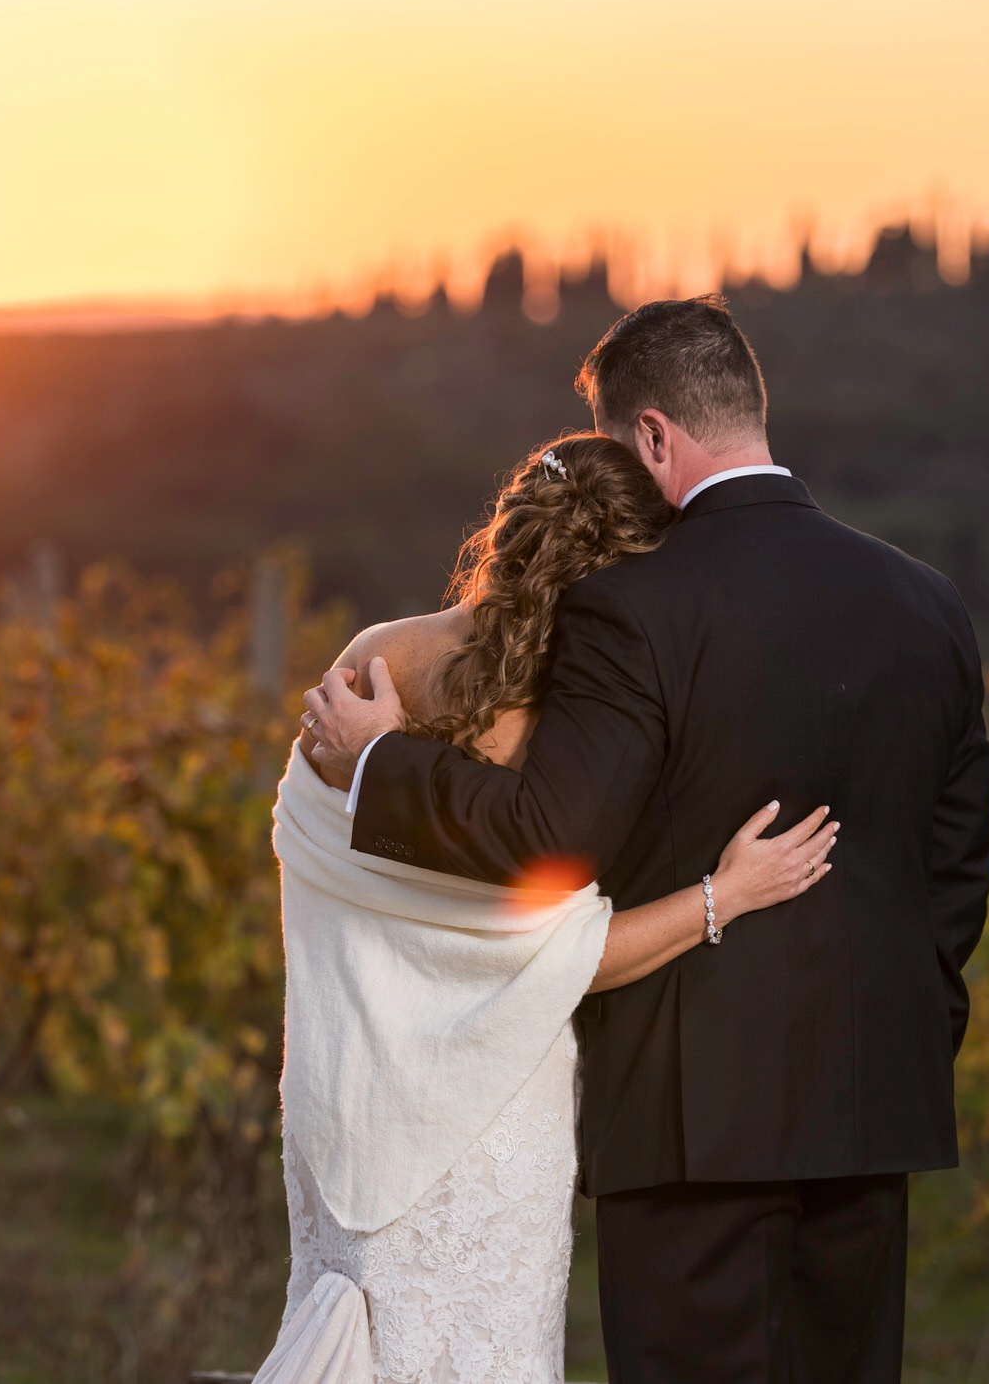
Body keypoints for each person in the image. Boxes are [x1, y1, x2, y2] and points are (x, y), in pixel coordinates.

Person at [300, 295, 989, 1384]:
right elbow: (956, 869)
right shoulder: (930, 601)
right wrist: (902, 1028)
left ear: (656, 434)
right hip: (872, 1111)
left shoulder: (632, 607)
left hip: (688, 1119)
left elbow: (550, 835)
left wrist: (382, 761)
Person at [253, 431, 839, 1384]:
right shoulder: (566, 736)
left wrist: (384, 760)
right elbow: (565, 958)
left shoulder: (375, 661)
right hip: (493, 1118)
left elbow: (316, 846)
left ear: (510, 521)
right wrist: (724, 895)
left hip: (344, 1098)